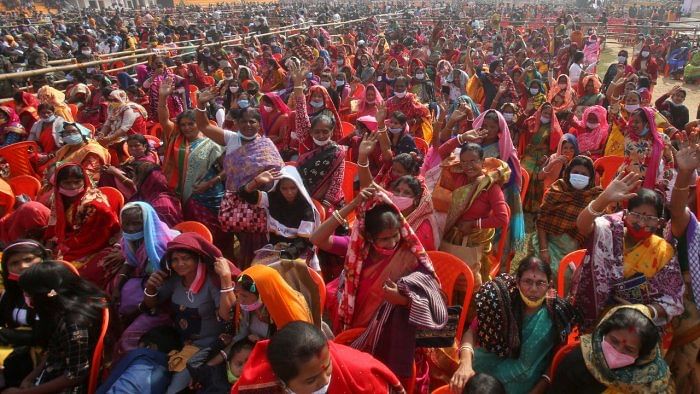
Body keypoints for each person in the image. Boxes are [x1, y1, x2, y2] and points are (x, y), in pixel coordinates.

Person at [311, 186, 447, 379]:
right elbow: (316, 238)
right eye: (384, 239)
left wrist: (401, 299)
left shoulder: (409, 255)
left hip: (392, 338)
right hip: (356, 333)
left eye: (395, 235)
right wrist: (352, 204)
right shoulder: (357, 251)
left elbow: (434, 297)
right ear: (369, 237)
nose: (392, 243)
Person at [572, 173, 684, 331]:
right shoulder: (608, 231)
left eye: (650, 218)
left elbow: (672, 299)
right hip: (593, 318)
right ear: (625, 215)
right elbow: (582, 225)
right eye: (636, 215)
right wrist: (604, 198)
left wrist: (645, 311)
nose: (641, 223)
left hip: (635, 328)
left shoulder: (663, 252)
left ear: (660, 223)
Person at [450, 256, 578, 394]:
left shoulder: (557, 315)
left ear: (549, 285)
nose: (533, 289)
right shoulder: (501, 300)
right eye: (527, 281)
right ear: (517, 282)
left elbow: (555, 359)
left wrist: (537, 390)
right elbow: (472, 331)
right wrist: (465, 364)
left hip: (522, 384)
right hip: (482, 371)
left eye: (540, 283)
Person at [194, 86, 284, 269]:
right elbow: (203, 126)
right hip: (236, 201)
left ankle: (258, 272)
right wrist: (201, 104)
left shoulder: (266, 145)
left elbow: (278, 174)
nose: (248, 125)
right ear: (237, 123)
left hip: (259, 202)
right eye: (243, 121)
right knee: (243, 240)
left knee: (260, 242)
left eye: (252, 122)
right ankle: (243, 270)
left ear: (259, 124)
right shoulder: (231, 139)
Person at [142, 232, 239, 393]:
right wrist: (150, 288)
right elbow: (153, 303)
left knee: (173, 389)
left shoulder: (211, 282)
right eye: (175, 259)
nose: (180, 263)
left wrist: (226, 279)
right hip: (179, 341)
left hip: (207, 345)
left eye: (185, 258)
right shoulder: (175, 281)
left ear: (197, 258)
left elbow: (226, 315)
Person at [233, 321, 405, 393]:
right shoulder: (260, 385)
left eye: (328, 368)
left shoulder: (360, 375)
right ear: (283, 383)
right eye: (311, 380)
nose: (324, 381)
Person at [16, 261, 106, 393]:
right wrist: (30, 378)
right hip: (51, 375)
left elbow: (75, 376)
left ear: (45, 294)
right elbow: (54, 352)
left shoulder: (74, 324)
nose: (26, 298)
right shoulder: (61, 312)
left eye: (29, 294)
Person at [158, 77, 227, 249]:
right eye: (183, 125)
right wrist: (162, 98)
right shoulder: (177, 139)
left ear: (200, 124)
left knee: (218, 234)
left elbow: (227, 169)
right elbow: (164, 121)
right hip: (185, 195)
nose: (187, 128)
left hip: (211, 196)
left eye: (191, 124)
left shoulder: (212, 141)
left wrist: (211, 182)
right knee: (196, 233)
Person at [434, 140, 510, 285]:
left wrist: (474, 224)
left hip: (475, 240)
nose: (468, 166)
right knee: (446, 274)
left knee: (468, 281)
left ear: (482, 162)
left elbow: (502, 219)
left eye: (473, 161)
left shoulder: (490, 187)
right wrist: (460, 137)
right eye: (464, 162)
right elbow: (442, 152)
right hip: (452, 234)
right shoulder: (458, 176)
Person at [549, 305, 672, 393]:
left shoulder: (653, 380)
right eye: (614, 341)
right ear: (602, 333)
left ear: (642, 354)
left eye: (629, 350)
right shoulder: (577, 363)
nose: (618, 351)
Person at [111, 202, 180, 357]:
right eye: (126, 224)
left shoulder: (160, 247)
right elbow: (129, 262)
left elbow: (162, 292)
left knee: (129, 337)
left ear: (147, 222)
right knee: (113, 293)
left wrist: (136, 312)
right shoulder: (131, 240)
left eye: (136, 223)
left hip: (161, 300)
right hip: (146, 285)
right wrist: (117, 287)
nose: (130, 228)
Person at [48, 163, 120, 288]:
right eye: (67, 183)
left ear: (84, 181)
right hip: (72, 239)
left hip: (96, 244)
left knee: (66, 274)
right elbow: (55, 226)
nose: (73, 187)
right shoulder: (58, 198)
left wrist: (64, 246)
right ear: (58, 183)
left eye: (77, 182)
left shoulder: (93, 205)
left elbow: (93, 237)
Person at [664, 144, 700, 393]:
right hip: (685, 313)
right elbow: (677, 210)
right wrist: (685, 174)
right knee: (679, 371)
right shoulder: (692, 228)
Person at [239, 166, 321, 264]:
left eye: (293, 188)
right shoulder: (272, 199)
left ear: (299, 187)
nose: (289, 192)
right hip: (274, 248)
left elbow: (302, 242)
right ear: (279, 188)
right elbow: (244, 194)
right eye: (284, 189)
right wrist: (256, 181)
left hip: (296, 252)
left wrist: (284, 256)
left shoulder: (306, 209)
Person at [536, 156, 602, 276]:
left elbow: (597, 233)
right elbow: (541, 221)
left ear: (591, 178)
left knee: (568, 276)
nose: (579, 176)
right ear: (568, 173)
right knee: (540, 271)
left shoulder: (595, 198)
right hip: (549, 244)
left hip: (577, 250)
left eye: (583, 174)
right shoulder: (556, 190)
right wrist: (544, 250)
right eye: (575, 172)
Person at [0, 240, 49, 388]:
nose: (23, 267)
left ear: (43, 259)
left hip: (42, 356)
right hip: (15, 348)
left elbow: (45, 336)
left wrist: (5, 334)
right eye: (15, 263)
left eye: (28, 259)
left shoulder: (52, 292)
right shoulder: (10, 294)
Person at [233, 264, 314, 343]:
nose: (240, 300)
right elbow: (241, 335)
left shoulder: (291, 314)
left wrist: (262, 343)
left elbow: (297, 346)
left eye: (244, 296)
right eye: (238, 294)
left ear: (263, 293)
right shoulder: (247, 307)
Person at [614, 107, 673, 191]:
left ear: (648, 124)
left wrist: (665, 179)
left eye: (637, 122)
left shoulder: (662, 139)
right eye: (632, 121)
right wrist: (615, 96)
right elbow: (615, 114)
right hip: (624, 178)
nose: (633, 124)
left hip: (648, 182)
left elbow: (669, 161)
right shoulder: (628, 133)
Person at [520, 102, 563, 212]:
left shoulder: (554, 129)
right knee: (524, 174)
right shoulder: (532, 123)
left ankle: (532, 206)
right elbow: (521, 127)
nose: (547, 115)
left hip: (543, 157)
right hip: (529, 155)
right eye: (545, 112)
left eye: (549, 114)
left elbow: (555, 146)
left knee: (538, 178)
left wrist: (546, 157)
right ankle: (519, 202)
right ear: (540, 112)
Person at [186, 337, 254, 392]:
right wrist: (220, 345)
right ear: (228, 363)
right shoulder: (213, 372)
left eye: (250, 365)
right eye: (239, 364)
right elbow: (192, 363)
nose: (244, 369)